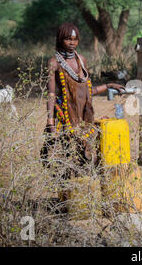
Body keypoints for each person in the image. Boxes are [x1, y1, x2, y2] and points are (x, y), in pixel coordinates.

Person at [41, 22, 124, 174]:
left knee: (86, 152)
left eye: (75, 39)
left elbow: (85, 91)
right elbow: (51, 94)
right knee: (67, 152)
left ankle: (85, 182)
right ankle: (68, 188)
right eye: (68, 39)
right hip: (66, 114)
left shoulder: (82, 60)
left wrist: (108, 86)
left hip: (84, 114)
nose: (72, 42)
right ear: (60, 39)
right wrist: (50, 122)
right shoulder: (54, 63)